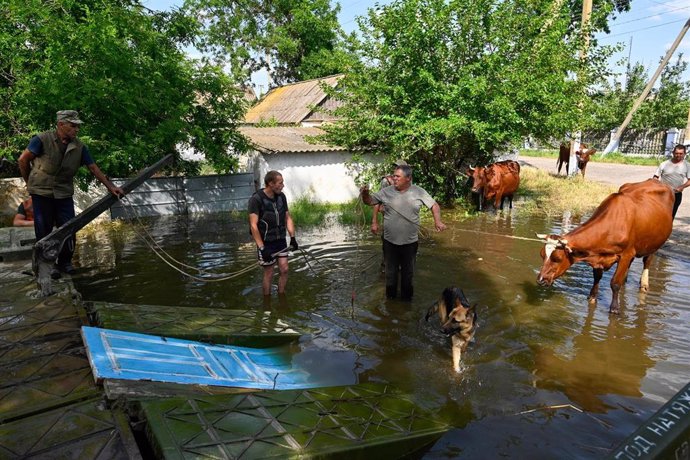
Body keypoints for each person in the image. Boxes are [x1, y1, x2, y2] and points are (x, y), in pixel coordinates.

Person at [18, 110, 124, 277]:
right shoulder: (41, 140)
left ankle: (65, 262)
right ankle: (47, 265)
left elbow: (93, 168)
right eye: (73, 126)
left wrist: (110, 187)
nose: (77, 129)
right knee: (44, 229)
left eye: (77, 126)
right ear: (61, 125)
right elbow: (23, 160)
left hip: (63, 193)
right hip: (41, 192)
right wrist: (29, 183)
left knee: (68, 228)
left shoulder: (80, 147)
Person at [361, 164, 447, 300]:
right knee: (390, 276)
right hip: (390, 242)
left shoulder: (418, 192)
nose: (394, 178)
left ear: (408, 178)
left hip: (410, 243)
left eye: (397, 176)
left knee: (408, 276)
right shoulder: (386, 191)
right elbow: (370, 201)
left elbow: (434, 205)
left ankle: (406, 306)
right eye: (394, 176)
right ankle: (391, 304)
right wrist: (364, 194)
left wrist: (438, 221)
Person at [248, 170, 298, 296]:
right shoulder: (256, 199)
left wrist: (292, 238)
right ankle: (267, 301)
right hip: (265, 242)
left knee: (285, 269)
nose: (283, 185)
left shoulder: (281, 197)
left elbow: (287, 217)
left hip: (280, 239)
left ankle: (281, 296)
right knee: (269, 273)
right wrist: (262, 248)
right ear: (270, 183)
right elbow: (253, 225)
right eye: (280, 183)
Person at [372, 159, 408, 271]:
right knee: (388, 240)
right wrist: (374, 221)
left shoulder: (407, 181)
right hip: (389, 215)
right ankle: (386, 265)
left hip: (402, 217)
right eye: (397, 167)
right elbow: (378, 200)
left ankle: (400, 265)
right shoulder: (386, 181)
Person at [653, 144, 690, 219]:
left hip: (676, 195)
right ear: (673, 153)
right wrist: (656, 184)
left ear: (684, 154)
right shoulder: (664, 164)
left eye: (681, 154)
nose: (678, 155)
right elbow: (655, 177)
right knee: (657, 215)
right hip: (662, 194)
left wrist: (682, 187)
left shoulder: (687, 166)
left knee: (670, 216)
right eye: (676, 153)